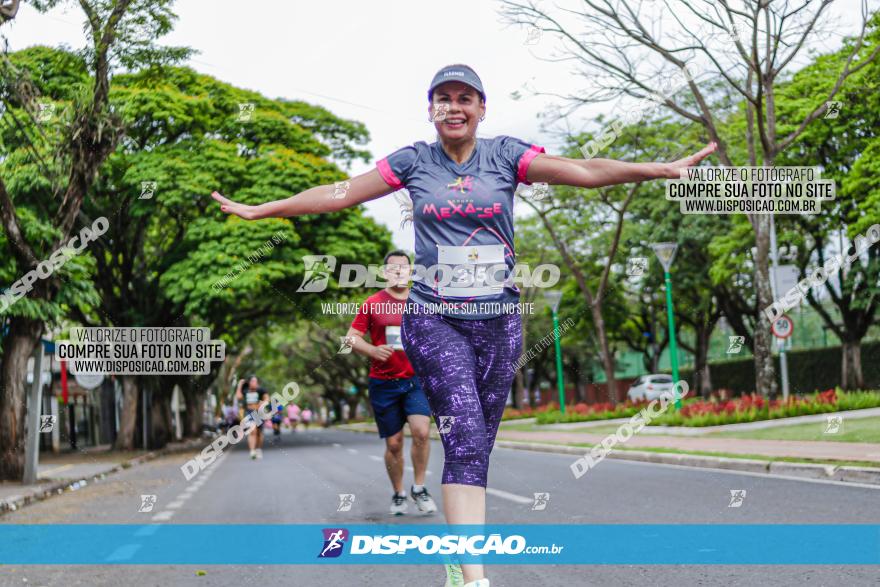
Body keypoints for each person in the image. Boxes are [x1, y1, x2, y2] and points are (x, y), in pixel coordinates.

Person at [212, 63, 715, 587]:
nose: (454, 107)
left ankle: (458, 552)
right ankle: (473, 577)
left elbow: (585, 171)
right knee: (467, 437)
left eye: (464, 98)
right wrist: (263, 211)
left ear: (481, 108)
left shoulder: (507, 156)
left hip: (499, 320)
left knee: (479, 446)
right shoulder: (412, 162)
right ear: (431, 109)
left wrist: (660, 169)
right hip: (434, 318)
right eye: (443, 98)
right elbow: (340, 192)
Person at [345, 250, 438, 516]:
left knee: (421, 432)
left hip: (416, 379)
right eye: (393, 268)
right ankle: (398, 493)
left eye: (404, 268)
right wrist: (372, 351)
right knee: (394, 443)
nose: (399, 272)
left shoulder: (422, 301)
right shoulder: (373, 303)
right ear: (385, 272)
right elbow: (350, 338)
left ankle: (419, 488)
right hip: (384, 382)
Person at [235, 375, 269, 459]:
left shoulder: (261, 390)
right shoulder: (245, 390)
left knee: (259, 433)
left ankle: (258, 449)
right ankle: (252, 451)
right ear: (249, 382)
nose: (254, 383)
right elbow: (238, 397)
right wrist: (240, 385)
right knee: (252, 431)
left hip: (259, 413)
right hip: (249, 413)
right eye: (253, 381)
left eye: (255, 381)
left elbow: (267, 398)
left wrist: (263, 402)